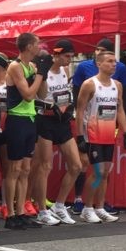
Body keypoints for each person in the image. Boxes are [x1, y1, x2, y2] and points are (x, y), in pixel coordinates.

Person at [31, 39, 83, 226]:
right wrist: (43, 74)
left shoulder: (65, 70)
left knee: (76, 166)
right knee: (45, 166)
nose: (69, 60)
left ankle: (59, 205)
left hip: (62, 120)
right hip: (45, 120)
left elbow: (65, 93)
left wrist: (68, 108)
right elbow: (40, 95)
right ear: (57, 55)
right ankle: (42, 210)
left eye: (71, 56)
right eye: (67, 56)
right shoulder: (43, 71)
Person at [77, 52, 126, 224]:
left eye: (115, 61)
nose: (114, 64)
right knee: (97, 173)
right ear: (99, 64)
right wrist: (80, 136)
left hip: (108, 135)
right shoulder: (89, 84)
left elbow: (120, 109)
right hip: (92, 134)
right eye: (109, 61)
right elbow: (80, 111)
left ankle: (99, 207)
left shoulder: (117, 85)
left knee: (106, 173)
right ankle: (87, 208)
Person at [3, 33, 49, 230]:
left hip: (30, 119)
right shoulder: (15, 66)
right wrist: (39, 76)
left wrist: (42, 74)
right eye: (37, 44)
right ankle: (10, 213)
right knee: (14, 169)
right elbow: (28, 95)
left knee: (26, 169)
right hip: (17, 119)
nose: (39, 47)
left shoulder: (31, 67)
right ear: (29, 46)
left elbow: (42, 94)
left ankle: (21, 211)